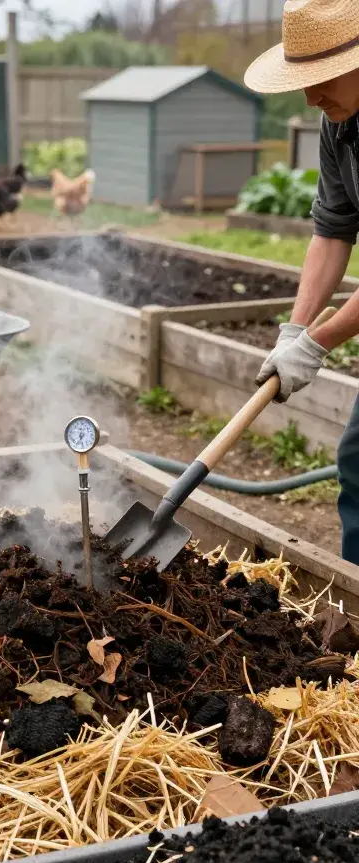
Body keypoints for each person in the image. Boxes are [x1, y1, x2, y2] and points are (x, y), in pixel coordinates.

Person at [245, 0, 359, 564]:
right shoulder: (339, 123)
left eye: (320, 79)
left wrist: (318, 344)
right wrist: (294, 330)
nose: (310, 95)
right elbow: (333, 230)